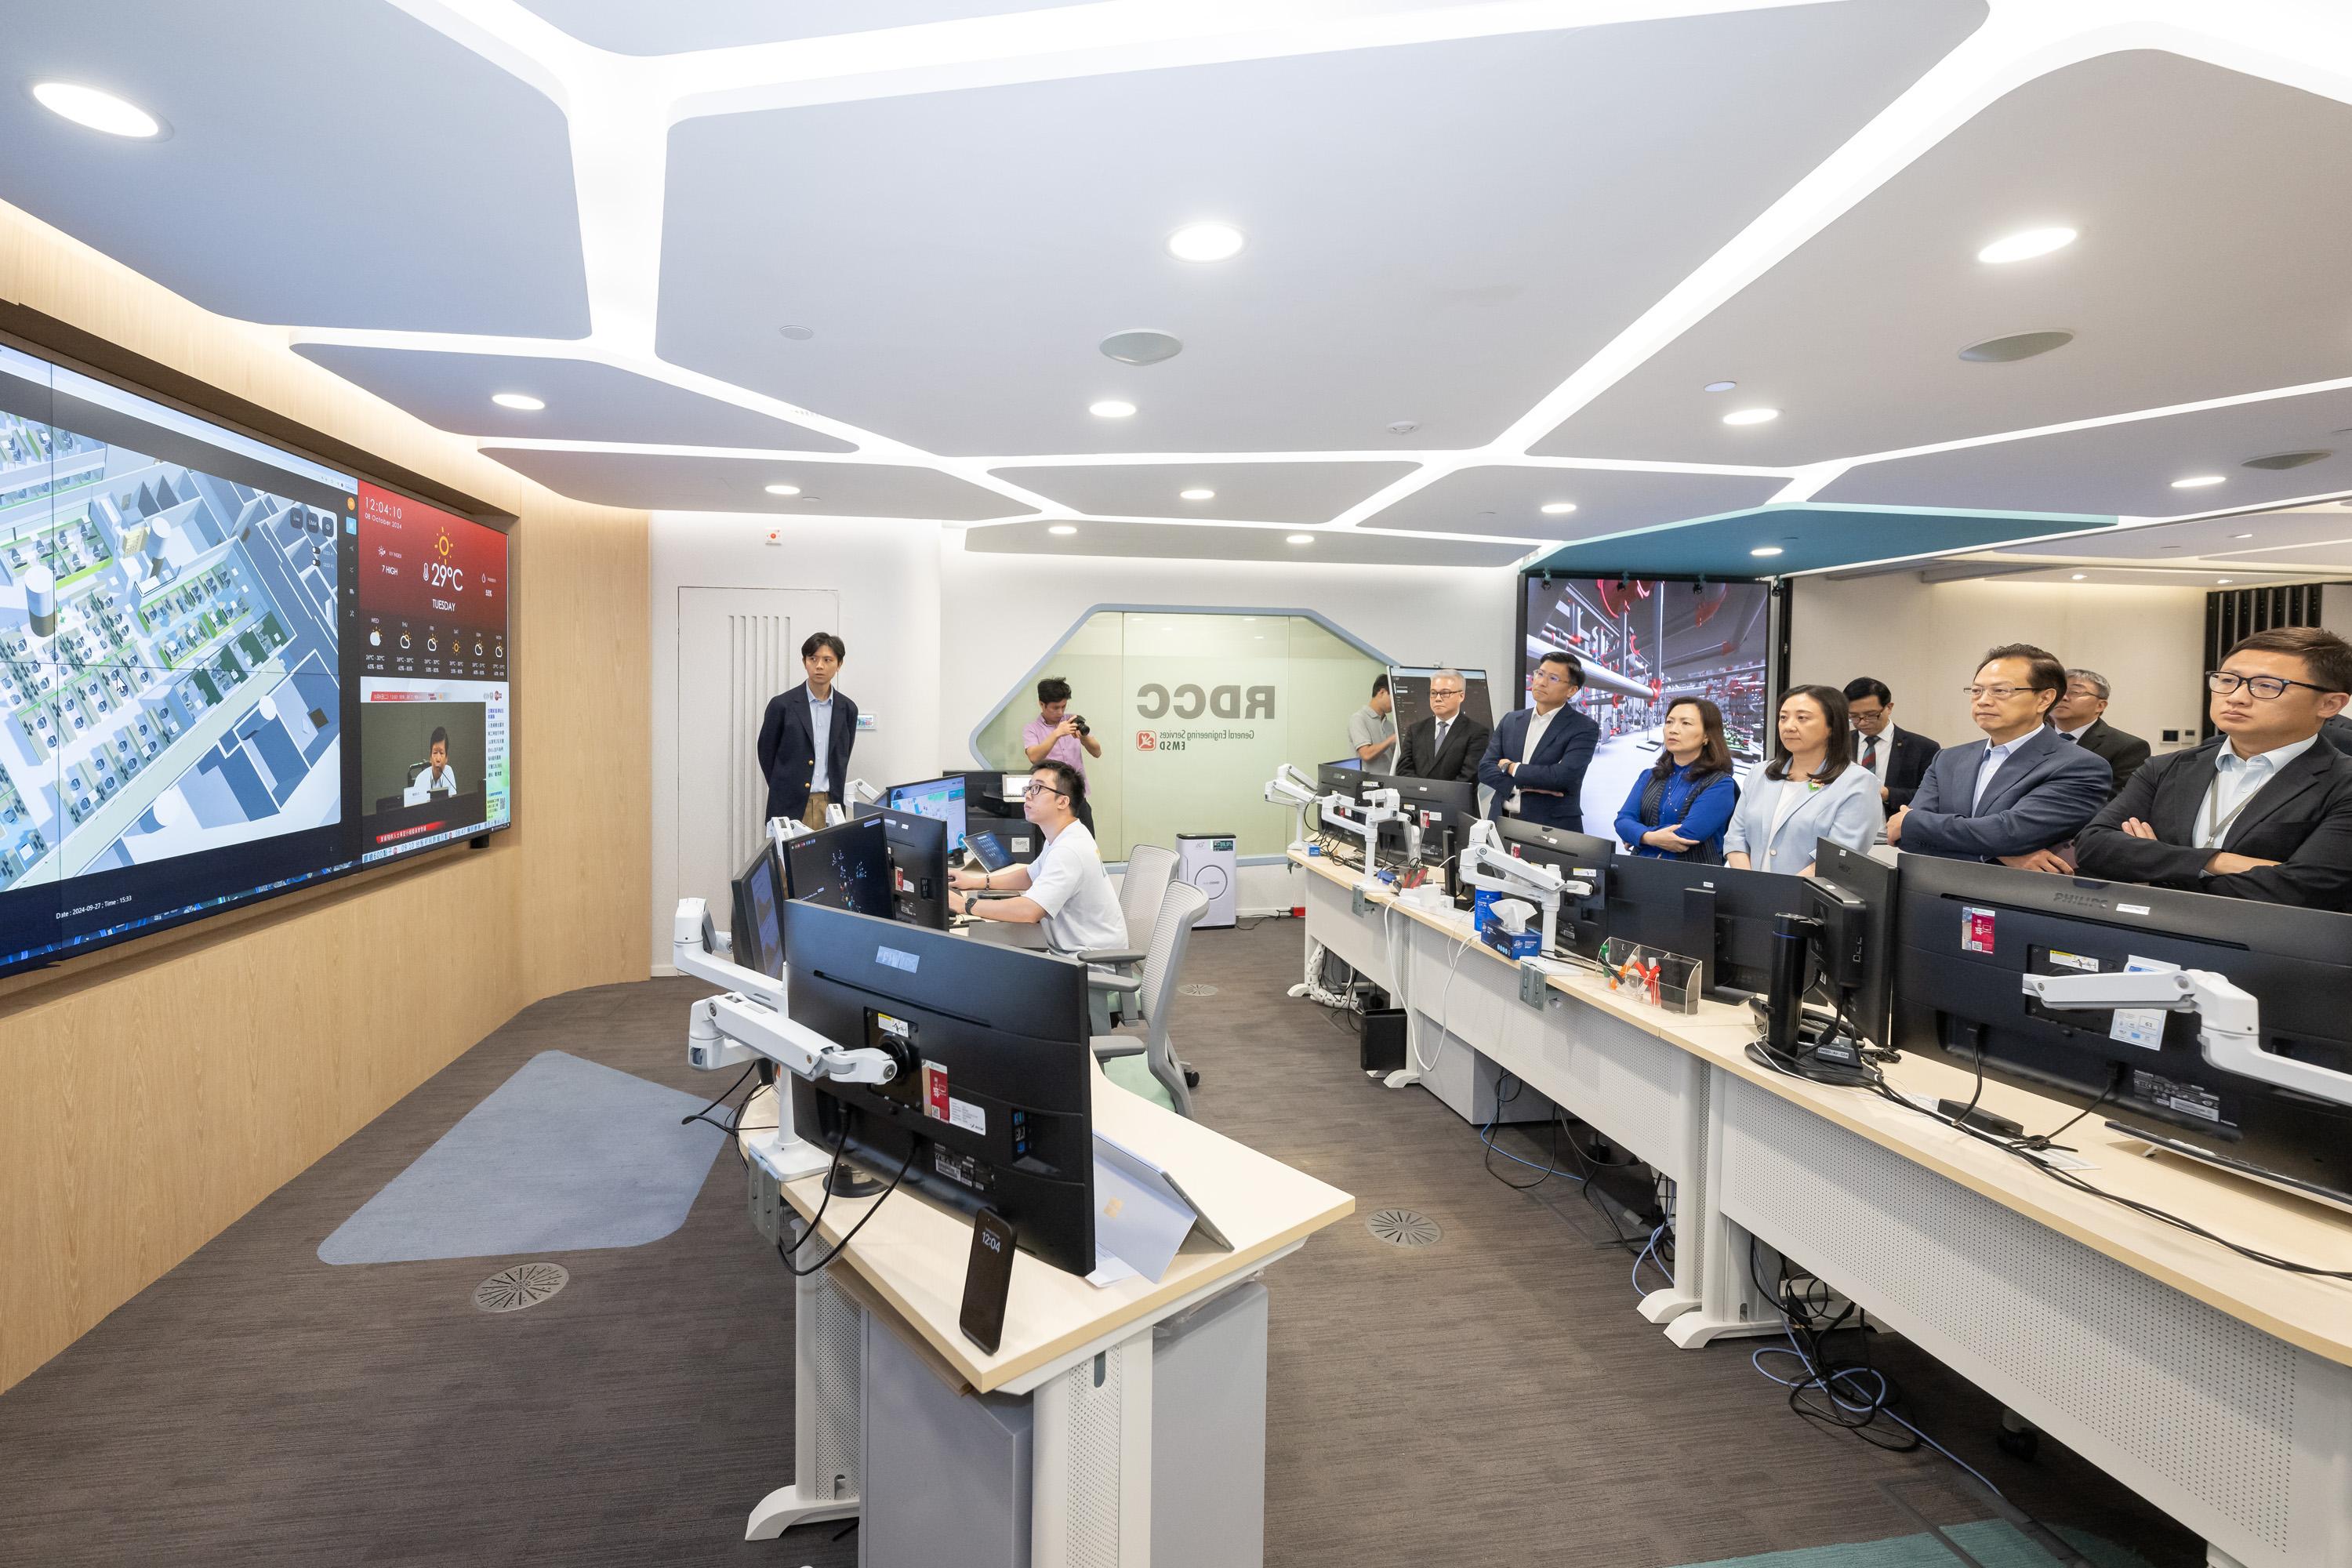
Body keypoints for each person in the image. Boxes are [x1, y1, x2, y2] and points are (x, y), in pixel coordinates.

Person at [2077, 626, 2352, 910]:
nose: (2236, 697)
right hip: (2154, 937)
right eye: (2227, 680)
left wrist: (2154, 868)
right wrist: (2218, 862)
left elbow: (2304, 890)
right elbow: (2094, 846)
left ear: (2330, 704)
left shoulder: (2342, 782)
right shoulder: (2167, 768)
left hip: (2272, 947)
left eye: (2267, 686)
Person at [1886, 643, 2110, 869]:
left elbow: (2009, 832)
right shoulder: (1948, 759)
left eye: (2000, 691)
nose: (1983, 700)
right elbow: (1906, 837)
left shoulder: (2080, 766)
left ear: (2044, 699)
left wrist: (1916, 823)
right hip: (1936, 893)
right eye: (1976, 691)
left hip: (2016, 898)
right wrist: (1997, 855)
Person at [944, 761, 1127, 951]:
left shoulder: (1069, 850)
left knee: (975, 957)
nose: (1028, 795)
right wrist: (976, 881)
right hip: (1067, 949)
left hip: (1086, 963)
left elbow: (1029, 911)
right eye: (1029, 787)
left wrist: (965, 904)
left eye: (1038, 788)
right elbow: (1031, 875)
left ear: (1063, 801)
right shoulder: (1064, 834)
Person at [1723, 685, 1880, 874]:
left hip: (1809, 898)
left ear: (1832, 726)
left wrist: (1783, 894)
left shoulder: (1858, 782)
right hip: (1753, 895)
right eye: (1783, 717)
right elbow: (1736, 838)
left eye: (1802, 718)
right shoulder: (1760, 773)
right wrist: (1753, 887)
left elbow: (1838, 857)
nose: (1789, 726)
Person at [1478, 652, 1601, 831]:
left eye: (1553, 678)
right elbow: (1485, 769)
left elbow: (1562, 777)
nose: (1541, 682)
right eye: (1540, 674)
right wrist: (1517, 787)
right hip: (1500, 822)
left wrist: (1512, 767)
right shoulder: (1511, 720)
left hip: (1550, 828)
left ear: (1572, 690)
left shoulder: (1583, 727)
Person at [1613, 695, 1739, 862]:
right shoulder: (1650, 776)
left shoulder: (1720, 784)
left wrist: (1636, 833)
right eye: (1669, 722)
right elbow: (1622, 821)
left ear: (1706, 736)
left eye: (1685, 723)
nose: (1673, 729)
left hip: (1694, 878)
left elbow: (1690, 833)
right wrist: (1646, 836)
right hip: (1642, 871)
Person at [757, 632, 858, 831]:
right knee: (785, 862)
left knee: (829, 861)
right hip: (789, 804)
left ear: (839, 665)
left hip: (830, 804)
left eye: (827, 660)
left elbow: (844, 754)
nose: (819, 666)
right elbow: (766, 753)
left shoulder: (847, 709)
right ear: (805, 662)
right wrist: (786, 786)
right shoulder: (782, 705)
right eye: (813, 659)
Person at [2048, 667, 2150, 800]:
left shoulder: (2129, 747)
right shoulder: (2031, 737)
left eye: (2075, 692)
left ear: (2100, 705)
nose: (2063, 697)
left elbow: (2116, 801)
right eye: (2060, 691)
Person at [1842, 677, 1938, 810]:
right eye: (1854, 716)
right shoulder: (1837, 744)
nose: (1862, 722)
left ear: (1889, 707)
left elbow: (1931, 797)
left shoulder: (1923, 748)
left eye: (1871, 715)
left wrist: (1888, 794)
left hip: (1893, 826)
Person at [1022, 675, 1101, 831]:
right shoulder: (1032, 729)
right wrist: (1057, 733)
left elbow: (1097, 752)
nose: (1060, 712)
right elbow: (1034, 757)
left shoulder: (1072, 721)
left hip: (1077, 797)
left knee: (1086, 842)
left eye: (1063, 707)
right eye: (1055, 708)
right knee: (1054, 846)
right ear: (1042, 704)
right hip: (1050, 801)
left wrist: (1083, 738)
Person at [1395, 667, 1490, 782]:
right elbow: (1403, 770)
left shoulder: (1476, 732)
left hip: (1455, 798)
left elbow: (1469, 777)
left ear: (1461, 696)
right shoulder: (1415, 730)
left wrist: (1434, 794)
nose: (1437, 699)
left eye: (1445, 693)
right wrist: (1422, 791)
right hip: (1418, 798)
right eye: (1433, 693)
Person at [1348, 673, 1398, 775]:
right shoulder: (1358, 719)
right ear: (1382, 692)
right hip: (1367, 785)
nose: (1395, 703)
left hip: (1389, 784)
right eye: (1393, 698)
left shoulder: (1390, 726)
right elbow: (1366, 754)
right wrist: (1391, 740)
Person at [416, 727, 456, 794]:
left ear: (446, 757)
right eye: (435, 753)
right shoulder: (420, 779)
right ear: (430, 757)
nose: (438, 759)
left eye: (441, 753)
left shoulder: (449, 773)